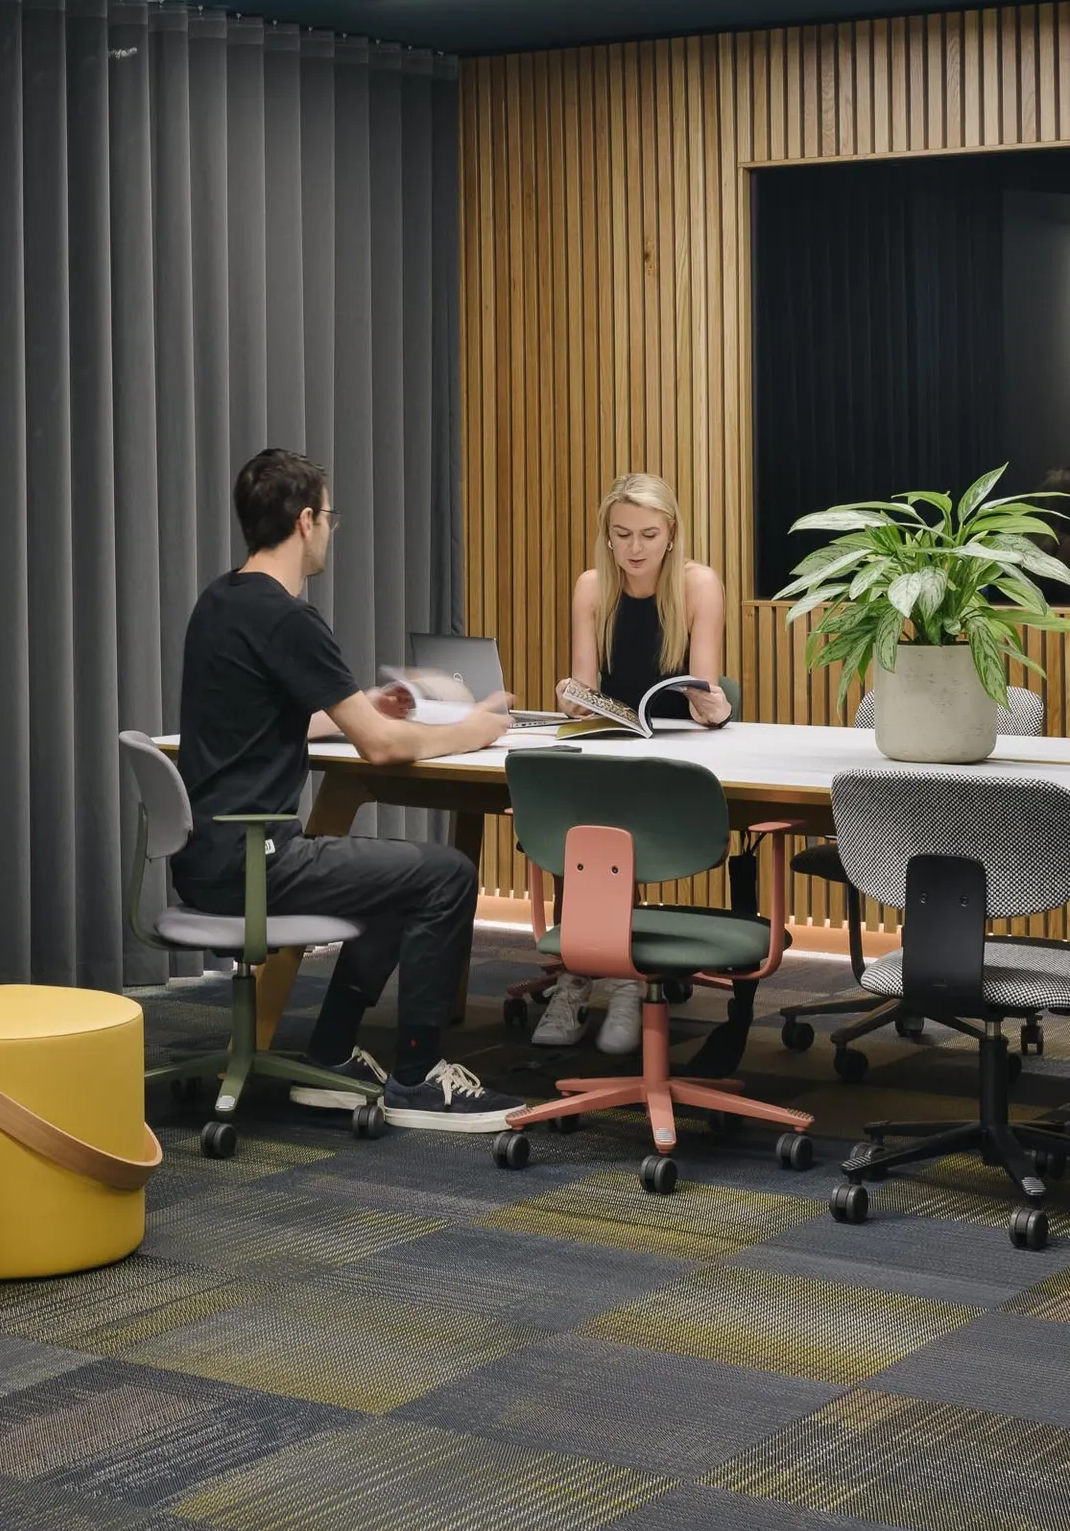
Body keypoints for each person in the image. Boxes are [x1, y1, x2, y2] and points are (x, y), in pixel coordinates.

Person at [174, 447, 522, 1131]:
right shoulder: (289, 617)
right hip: (258, 861)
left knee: (395, 879)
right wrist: (477, 728)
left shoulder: (219, 601)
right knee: (446, 874)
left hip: (207, 857)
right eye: (329, 517)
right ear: (306, 521)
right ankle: (419, 1079)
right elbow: (384, 748)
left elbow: (271, 714)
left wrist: (354, 703)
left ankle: (330, 1055)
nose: (331, 529)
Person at [533, 471, 730, 1056]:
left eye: (648, 534)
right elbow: (586, 689)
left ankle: (622, 983)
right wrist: (573, 696)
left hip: (674, 752)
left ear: (671, 534)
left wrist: (712, 705)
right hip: (612, 744)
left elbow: (707, 694)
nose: (635, 549)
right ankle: (579, 975)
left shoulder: (699, 585)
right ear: (607, 537)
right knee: (578, 817)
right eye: (622, 535)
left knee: (614, 820)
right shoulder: (593, 587)